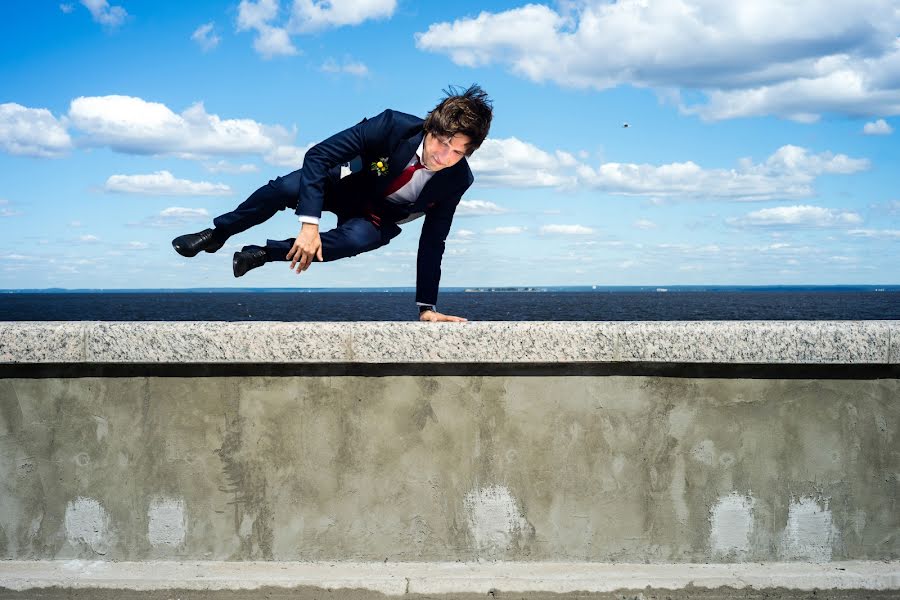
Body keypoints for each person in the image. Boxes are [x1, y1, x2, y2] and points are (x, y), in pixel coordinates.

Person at [172, 85, 492, 323]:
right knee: (283, 188)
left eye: (457, 152)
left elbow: (434, 239)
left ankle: (262, 253)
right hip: (342, 183)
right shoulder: (393, 125)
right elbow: (319, 155)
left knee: (355, 240)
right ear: (429, 128)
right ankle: (217, 234)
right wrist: (309, 224)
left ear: (467, 153)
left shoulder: (457, 180)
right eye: (441, 142)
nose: (442, 155)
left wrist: (427, 308)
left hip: (375, 215)